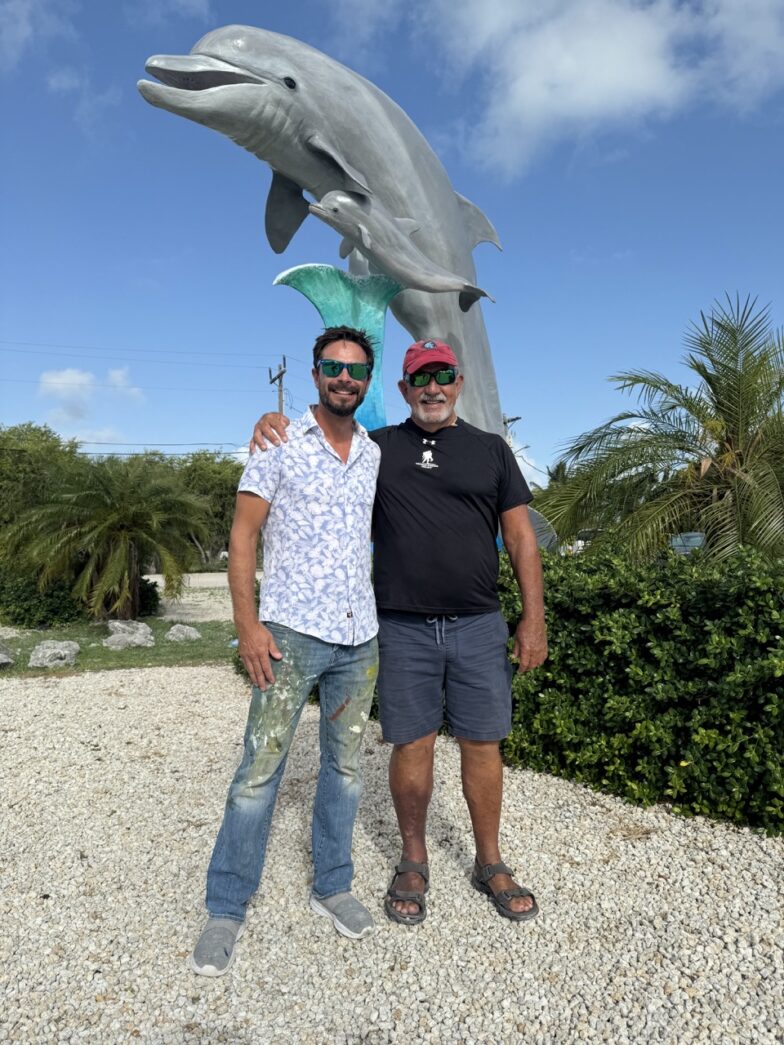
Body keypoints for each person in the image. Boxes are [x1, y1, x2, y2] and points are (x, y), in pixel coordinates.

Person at [252, 337, 548, 926]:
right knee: (411, 744)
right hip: (402, 627)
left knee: (483, 745)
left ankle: (489, 860)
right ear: (404, 388)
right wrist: (270, 421)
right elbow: (324, 436)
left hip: (478, 624)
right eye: (420, 378)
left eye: (443, 376)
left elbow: (519, 538)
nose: (432, 388)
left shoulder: (491, 451)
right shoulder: (377, 448)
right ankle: (413, 857)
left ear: (458, 383)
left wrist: (532, 617)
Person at [190, 326, 381, 977]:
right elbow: (242, 536)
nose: (343, 378)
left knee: (346, 769)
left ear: (368, 378)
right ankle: (225, 904)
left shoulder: (375, 454)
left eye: (355, 369)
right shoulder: (277, 442)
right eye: (333, 366)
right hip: (291, 634)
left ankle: (333, 883)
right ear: (315, 372)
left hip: (360, 639)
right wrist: (248, 626)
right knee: (258, 771)